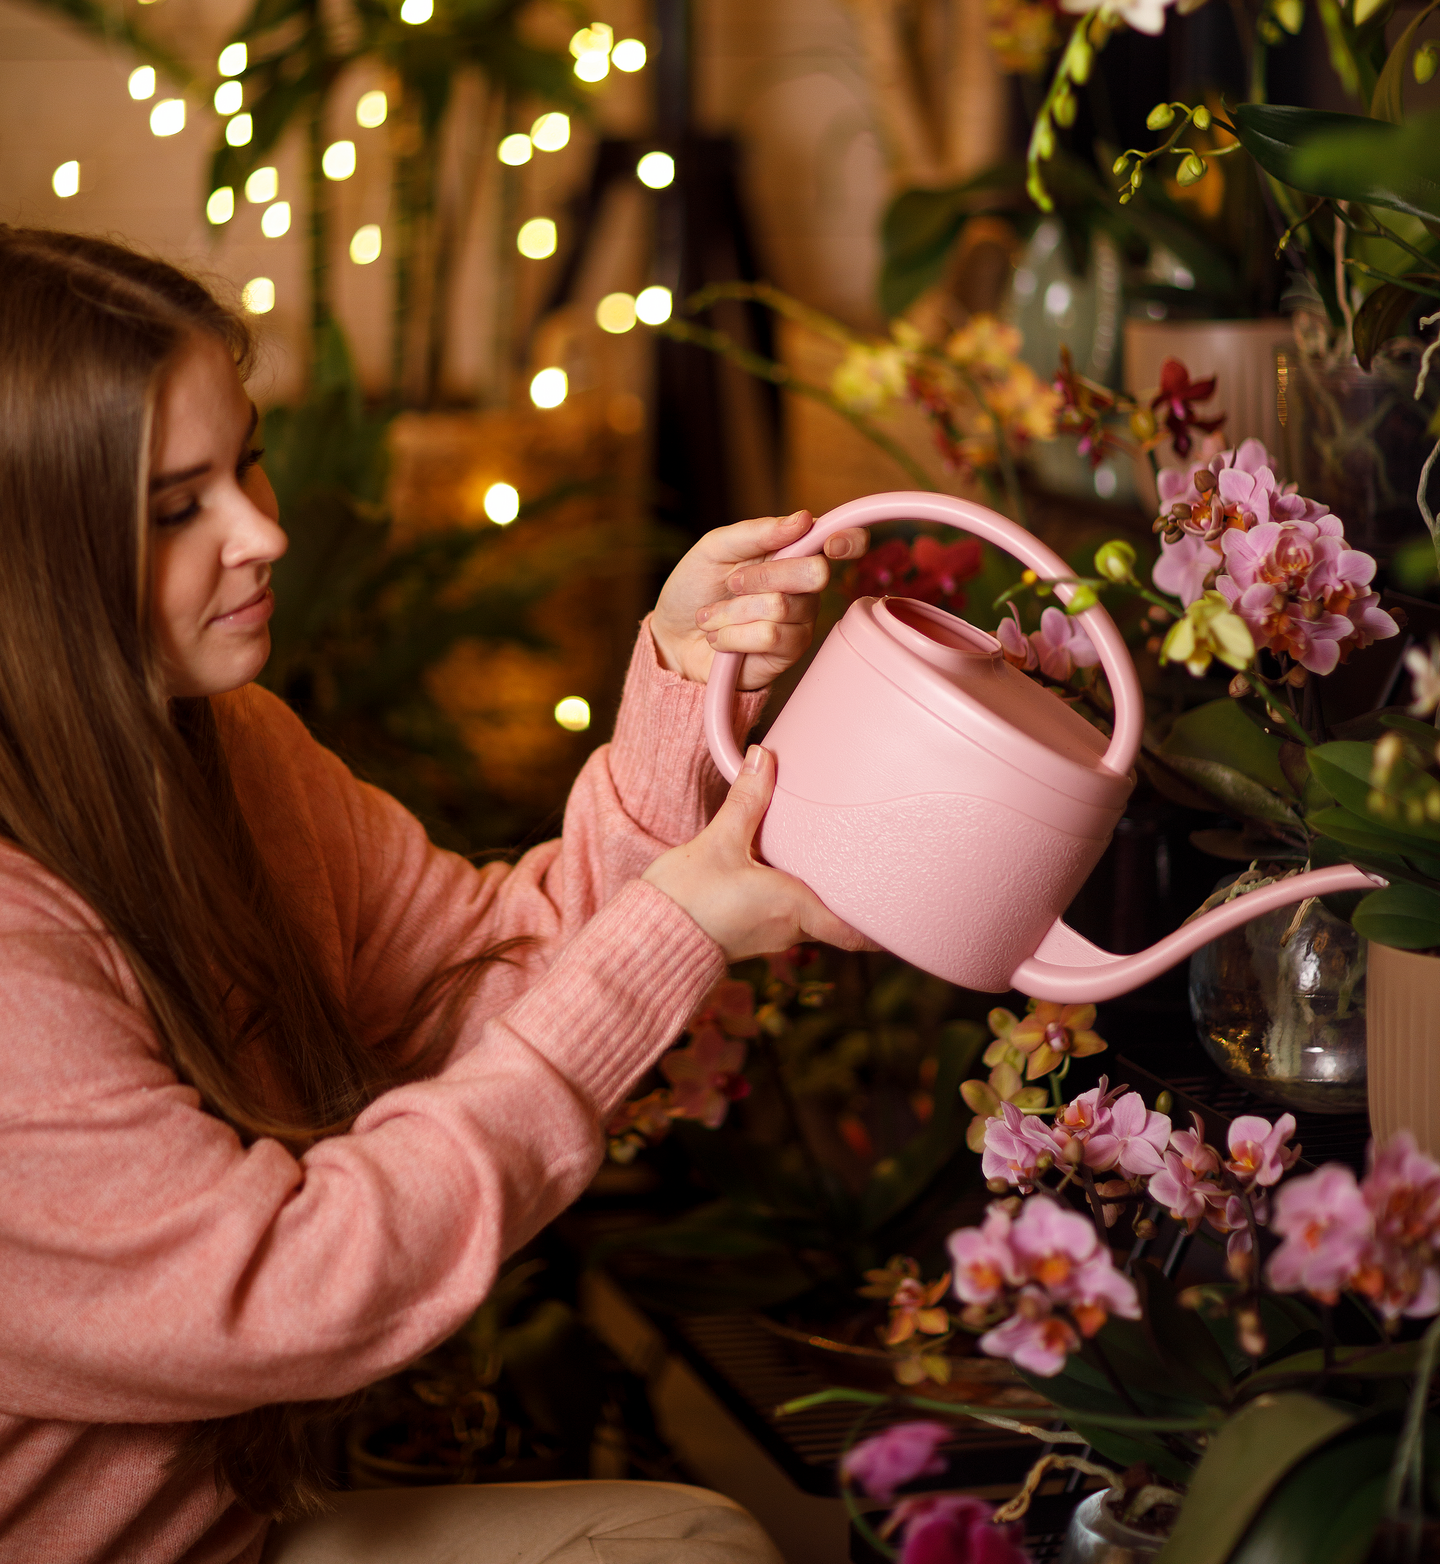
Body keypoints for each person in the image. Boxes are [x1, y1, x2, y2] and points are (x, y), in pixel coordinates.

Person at [0, 229, 869, 1564]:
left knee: (698, 1543)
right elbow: (291, 1289)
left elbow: (493, 972)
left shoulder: (226, 752)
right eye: (177, 509)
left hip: (236, 1533)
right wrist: (670, 938)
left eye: (244, 462)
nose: (264, 532)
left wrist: (680, 679)